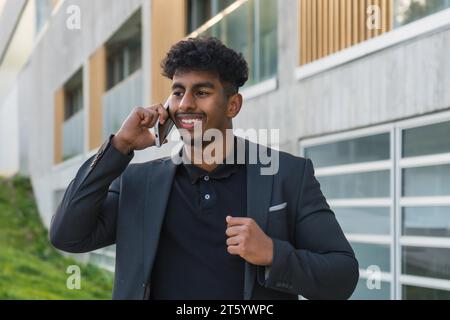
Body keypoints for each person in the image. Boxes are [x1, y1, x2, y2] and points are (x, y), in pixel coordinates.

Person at [50, 36, 358, 300]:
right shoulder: (138, 182)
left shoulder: (287, 174)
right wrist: (120, 147)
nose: (185, 104)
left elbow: (342, 276)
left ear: (233, 105)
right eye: (178, 91)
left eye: (201, 92)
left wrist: (274, 254)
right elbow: (67, 235)